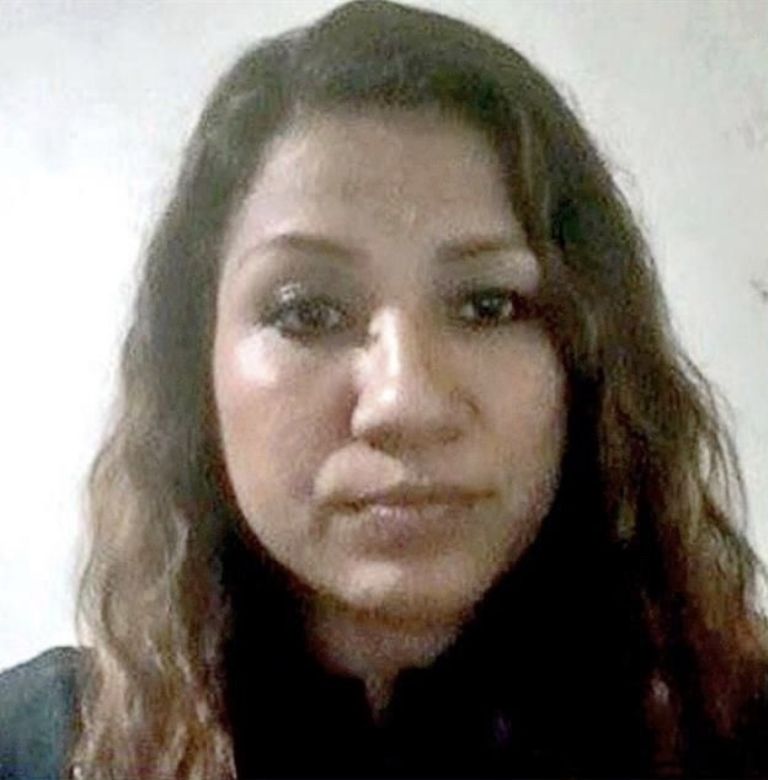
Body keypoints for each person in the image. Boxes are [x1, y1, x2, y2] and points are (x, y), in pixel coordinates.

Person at [1, 1, 766, 778]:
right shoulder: (34, 747)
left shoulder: (736, 728)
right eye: (307, 312)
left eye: (488, 305)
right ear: (196, 367)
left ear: (587, 361)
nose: (405, 403)